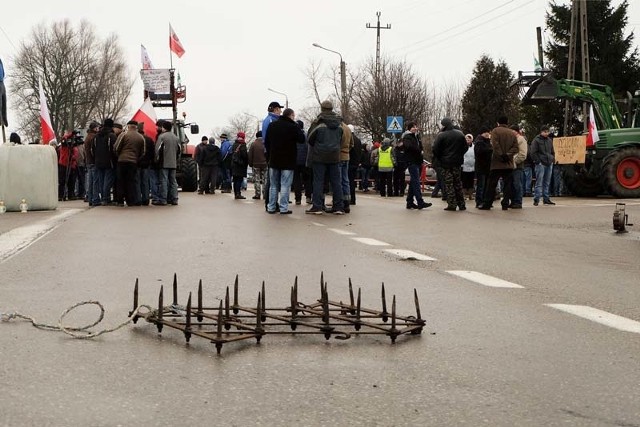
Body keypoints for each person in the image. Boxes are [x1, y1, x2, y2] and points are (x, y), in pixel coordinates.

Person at [305, 100, 345, 215]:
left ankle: (317, 206)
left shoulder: (318, 123)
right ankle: (338, 207)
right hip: (334, 156)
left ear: (322, 109)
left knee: (318, 181)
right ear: (332, 109)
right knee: (336, 182)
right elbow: (341, 139)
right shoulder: (339, 123)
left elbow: (310, 139)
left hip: (319, 156)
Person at [264, 108, 305, 214]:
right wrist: (296, 125)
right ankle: (283, 208)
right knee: (285, 185)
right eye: (293, 116)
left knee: (273, 186)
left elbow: (267, 142)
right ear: (290, 116)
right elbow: (302, 139)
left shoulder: (272, 125)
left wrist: (269, 156)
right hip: (288, 161)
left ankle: (271, 207)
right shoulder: (293, 127)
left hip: (274, 160)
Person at [478, 116, 519, 210]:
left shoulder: (495, 131)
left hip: (496, 163)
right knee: (507, 185)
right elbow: (516, 148)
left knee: (491, 184)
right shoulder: (511, 133)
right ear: (507, 122)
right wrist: (507, 155)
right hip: (508, 163)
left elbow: (495, 145)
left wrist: (501, 155)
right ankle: (505, 204)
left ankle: (487, 203)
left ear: (498, 123)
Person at [432, 117, 468, 211]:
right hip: (457, 163)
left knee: (449, 184)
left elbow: (435, 149)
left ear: (444, 125)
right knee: (458, 183)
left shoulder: (441, 135)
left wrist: (441, 157)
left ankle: (452, 204)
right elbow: (465, 147)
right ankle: (461, 204)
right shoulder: (460, 134)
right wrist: (459, 155)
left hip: (445, 164)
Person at [114, 120, 145, 206]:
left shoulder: (123, 135)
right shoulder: (140, 137)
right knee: (130, 182)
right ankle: (130, 201)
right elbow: (143, 152)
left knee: (120, 181)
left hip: (122, 161)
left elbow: (116, 147)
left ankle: (120, 201)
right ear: (136, 127)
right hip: (133, 162)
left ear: (128, 126)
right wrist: (136, 159)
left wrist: (118, 155)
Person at [401, 121, 431, 210]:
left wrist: (421, 151)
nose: (415, 128)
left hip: (418, 161)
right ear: (409, 129)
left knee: (413, 182)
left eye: (415, 126)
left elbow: (420, 147)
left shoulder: (417, 137)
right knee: (416, 182)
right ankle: (420, 202)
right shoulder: (407, 137)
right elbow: (408, 147)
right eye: (413, 127)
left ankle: (409, 202)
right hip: (412, 161)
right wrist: (418, 150)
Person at [155, 120, 180, 205]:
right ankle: (174, 199)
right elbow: (179, 150)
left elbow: (157, 150)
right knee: (173, 181)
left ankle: (163, 199)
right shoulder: (176, 137)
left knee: (164, 181)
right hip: (173, 163)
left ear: (163, 128)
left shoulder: (162, 137)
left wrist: (156, 160)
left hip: (164, 163)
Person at [93, 118, 117, 205]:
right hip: (109, 161)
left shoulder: (96, 136)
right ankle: (106, 198)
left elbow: (93, 149)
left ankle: (103, 197)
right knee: (108, 181)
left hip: (98, 161)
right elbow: (115, 149)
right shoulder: (111, 136)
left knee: (101, 180)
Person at [530, 125, 556, 206]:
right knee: (539, 182)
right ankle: (536, 199)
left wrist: (552, 159)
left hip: (549, 163)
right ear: (541, 132)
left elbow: (552, 151)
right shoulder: (536, 140)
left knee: (547, 182)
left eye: (547, 131)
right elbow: (533, 152)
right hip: (541, 163)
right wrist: (538, 161)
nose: (546, 133)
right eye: (545, 131)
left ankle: (546, 198)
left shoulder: (549, 140)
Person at [293, 120, 311, 205]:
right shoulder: (307, 135)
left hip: (295, 161)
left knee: (297, 180)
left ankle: (298, 199)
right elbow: (309, 148)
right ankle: (308, 197)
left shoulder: (293, 136)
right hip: (305, 161)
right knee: (307, 179)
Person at [473, 127, 493, 208]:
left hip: (487, 167)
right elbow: (479, 152)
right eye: (485, 132)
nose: (487, 134)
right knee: (481, 185)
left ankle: (485, 201)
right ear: (482, 133)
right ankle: (479, 201)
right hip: (481, 167)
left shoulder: (487, 142)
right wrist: (489, 149)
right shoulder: (479, 142)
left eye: (488, 132)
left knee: (486, 185)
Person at [509, 124, 528, 209]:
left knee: (517, 184)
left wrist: (514, 161)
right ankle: (513, 201)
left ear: (515, 131)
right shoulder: (512, 139)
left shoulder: (521, 139)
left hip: (517, 166)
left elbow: (523, 154)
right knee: (512, 185)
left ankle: (518, 201)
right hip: (511, 166)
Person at [137, 122, 155, 205]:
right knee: (145, 182)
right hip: (146, 164)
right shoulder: (149, 139)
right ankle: (146, 199)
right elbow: (152, 152)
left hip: (137, 164)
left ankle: (138, 199)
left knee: (137, 182)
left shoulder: (135, 138)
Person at [248, 130, 267, 200]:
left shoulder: (253, 144)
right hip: (265, 164)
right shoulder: (266, 143)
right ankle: (265, 194)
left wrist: (250, 163)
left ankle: (257, 194)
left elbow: (250, 155)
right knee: (265, 179)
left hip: (256, 164)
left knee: (257, 180)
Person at [84, 122, 100, 206]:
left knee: (90, 181)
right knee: (95, 181)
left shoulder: (88, 137)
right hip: (93, 161)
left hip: (88, 161)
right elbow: (94, 150)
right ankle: (95, 199)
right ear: (95, 128)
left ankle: (90, 198)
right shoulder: (94, 137)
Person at [347, 124, 362, 207]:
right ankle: (353, 199)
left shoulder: (349, 139)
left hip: (349, 162)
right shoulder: (358, 140)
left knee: (347, 182)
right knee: (351, 181)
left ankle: (348, 199)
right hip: (355, 163)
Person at [231, 132, 249, 199]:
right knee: (239, 179)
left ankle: (236, 193)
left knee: (235, 180)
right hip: (240, 165)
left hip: (234, 164)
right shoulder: (243, 145)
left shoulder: (234, 144)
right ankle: (238, 194)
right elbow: (244, 156)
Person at [461, 133, 475, 201]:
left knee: (471, 182)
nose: (467, 141)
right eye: (466, 139)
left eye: (469, 139)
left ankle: (470, 195)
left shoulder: (474, 147)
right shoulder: (462, 147)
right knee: (464, 182)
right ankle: (463, 195)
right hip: (464, 167)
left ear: (471, 140)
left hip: (472, 167)